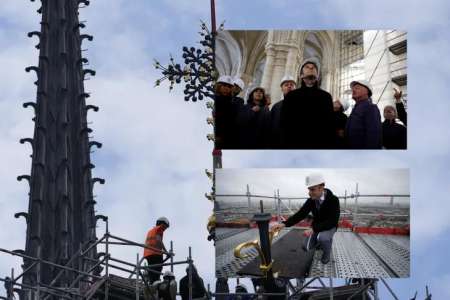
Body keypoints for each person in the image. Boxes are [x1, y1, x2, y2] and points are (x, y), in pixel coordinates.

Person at [272, 173, 340, 264]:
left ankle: (326, 253)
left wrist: (313, 229)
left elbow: (333, 221)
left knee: (323, 238)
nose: (309, 192)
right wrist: (284, 224)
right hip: (316, 226)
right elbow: (301, 214)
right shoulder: (311, 200)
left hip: (329, 226)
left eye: (312, 189)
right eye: (309, 189)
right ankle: (321, 243)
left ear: (321, 187)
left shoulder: (333, 200)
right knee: (305, 247)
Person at [280, 58, 335, 149]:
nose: (311, 68)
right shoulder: (291, 96)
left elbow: (330, 125)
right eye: (307, 67)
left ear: (317, 75)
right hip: (295, 144)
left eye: (313, 67)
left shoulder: (326, 97)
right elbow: (284, 123)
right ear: (301, 75)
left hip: (319, 145)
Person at [345, 80, 382, 149]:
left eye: (357, 88)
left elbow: (373, 136)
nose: (353, 90)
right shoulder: (355, 108)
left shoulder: (371, 108)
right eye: (353, 88)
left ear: (367, 91)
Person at [270, 75, 297, 148]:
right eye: (286, 85)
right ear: (282, 89)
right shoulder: (276, 107)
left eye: (291, 85)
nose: (289, 86)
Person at [214, 75, 240, 149]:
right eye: (224, 85)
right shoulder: (213, 99)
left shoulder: (233, 102)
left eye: (229, 86)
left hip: (226, 137)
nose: (226, 88)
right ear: (219, 86)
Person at [143, 217, 171, 284]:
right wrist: (166, 252)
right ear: (162, 223)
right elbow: (159, 240)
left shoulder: (151, 231)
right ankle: (155, 285)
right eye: (165, 227)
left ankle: (151, 284)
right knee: (157, 272)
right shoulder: (159, 228)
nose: (165, 229)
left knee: (152, 272)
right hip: (156, 253)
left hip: (148, 254)